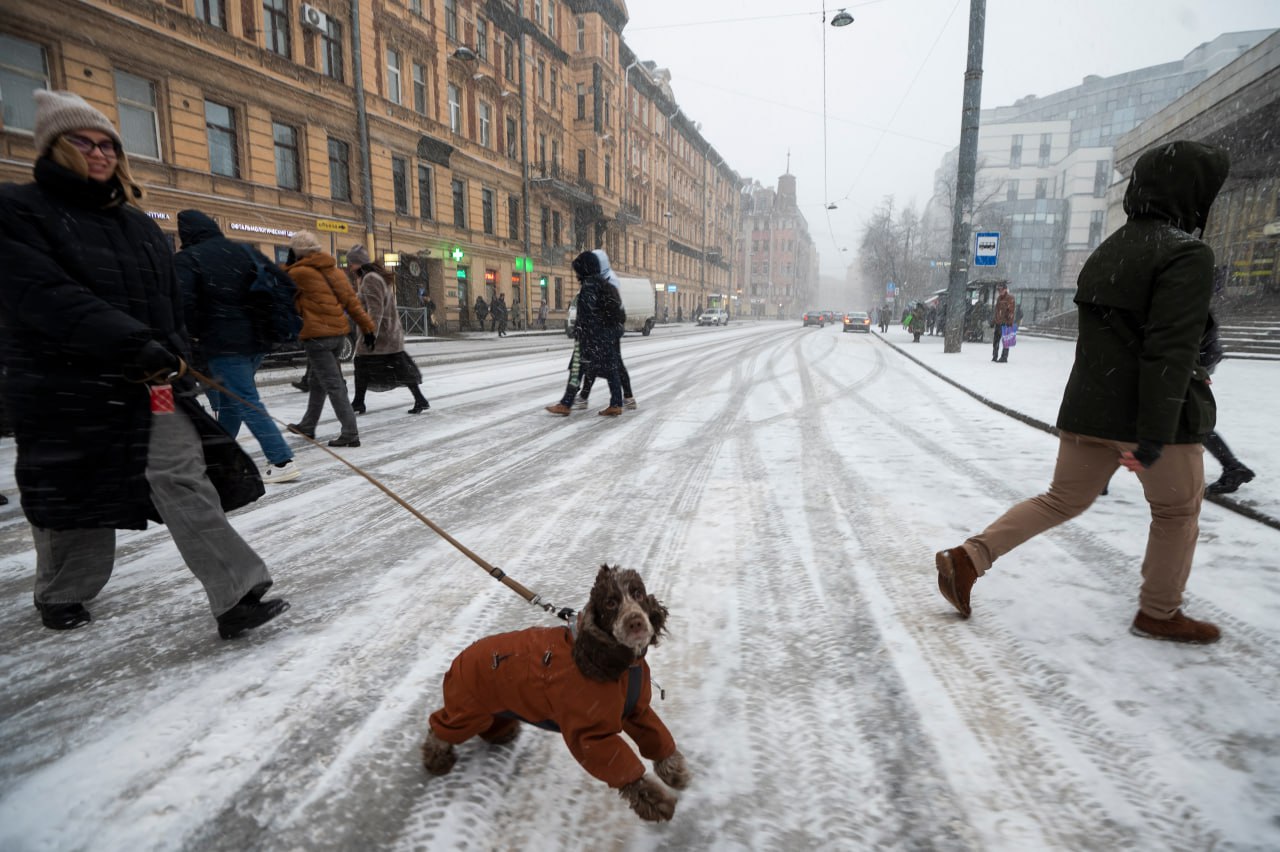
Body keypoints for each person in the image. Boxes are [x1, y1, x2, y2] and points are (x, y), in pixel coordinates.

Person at [0, 90, 289, 637]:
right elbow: (42, 294)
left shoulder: (139, 227)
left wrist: (179, 353)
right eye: (83, 142)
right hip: (64, 385)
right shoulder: (19, 211)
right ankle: (62, 591)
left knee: (182, 477)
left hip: (150, 381)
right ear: (55, 147)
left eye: (108, 143)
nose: (100, 152)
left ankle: (237, 594)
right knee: (75, 493)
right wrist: (132, 341)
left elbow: (167, 305)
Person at [934, 139, 1230, 644]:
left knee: (1060, 500)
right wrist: (1154, 435)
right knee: (1177, 512)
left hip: (1091, 410)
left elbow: (1110, 342)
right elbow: (1169, 351)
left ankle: (969, 558)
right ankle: (1159, 612)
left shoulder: (1109, 250)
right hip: (1151, 417)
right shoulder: (1186, 253)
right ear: (1191, 194)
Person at [174, 209, 300, 484]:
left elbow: (182, 304)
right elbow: (283, 284)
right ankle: (218, 458)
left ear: (186, 233)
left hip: (224, 342)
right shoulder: (242, 250)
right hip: (255, 339)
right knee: (233, 403)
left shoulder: (189, 258)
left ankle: (281, 461)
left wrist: (196, 332)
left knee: (245, 401)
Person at [284, 230, 376, 448]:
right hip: (337, 335)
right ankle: (308, 424)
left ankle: (350, 432)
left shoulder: (298, 273)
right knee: (319, 383)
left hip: (317, 336)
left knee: (333, 386)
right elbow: (352, 304)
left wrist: (287, 266)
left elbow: (280, 287)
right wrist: (368, 328)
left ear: (297, 252)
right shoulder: (334, 271)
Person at [346, 244, 430, 415]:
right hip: (389, 334)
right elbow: (368, 301)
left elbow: (375, 309)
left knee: (362, 364)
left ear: (359, 263)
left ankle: (358, 403)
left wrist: (370, 334)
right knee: (399, 367)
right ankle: (420, 399)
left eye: (352, 263)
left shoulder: (370, 279)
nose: (350, 267)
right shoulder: (372, 278)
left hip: (382, 335)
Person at [546, 251, 624, 416]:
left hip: (591, 338)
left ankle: (566, 404)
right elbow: (619, 314)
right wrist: (610, 332)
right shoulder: (606, 285)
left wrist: (581, 332)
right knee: (611, 370)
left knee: (577, 369)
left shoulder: (589, 287)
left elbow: (588, 315)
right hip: (607, 337)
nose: (576, 275)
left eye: (578, 271)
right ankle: (616, 403)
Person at [575, 250, 637, 410]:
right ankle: (585, 396)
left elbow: (610, 305)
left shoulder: (609, 279)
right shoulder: (603, 278)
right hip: (607, 329)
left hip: (608, 329)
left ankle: (624, 398)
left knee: (609, 364)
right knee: (599, 363)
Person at [992, 282, 1016, 362]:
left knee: (1006, 342)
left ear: (1005, 289)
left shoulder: (1010, 298)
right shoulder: (999, 298)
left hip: (1006, 323)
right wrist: (994, 320)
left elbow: (1011, 311)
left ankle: (1004, 357)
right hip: (998, 322)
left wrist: (1009, 322)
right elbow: (997, 311)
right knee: (996, 341)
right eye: (998, 290)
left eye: (1001, 289)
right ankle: (995, 356)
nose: (999, 291)